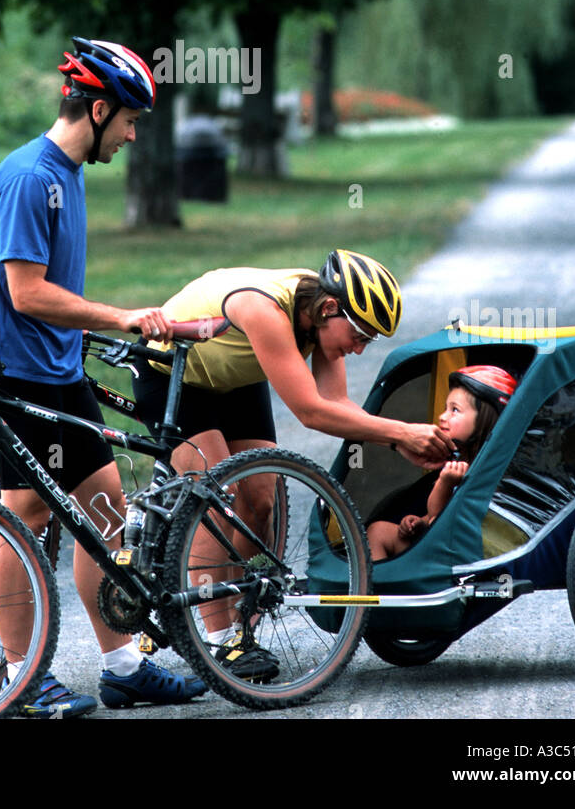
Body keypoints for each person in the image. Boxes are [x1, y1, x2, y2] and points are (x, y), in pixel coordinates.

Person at [0, 36, 202, 718]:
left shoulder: (64, 176)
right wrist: (123, 318)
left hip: (58, 373)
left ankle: (124, 666)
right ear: (98, 109)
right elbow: (27, 293)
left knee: (103, 516)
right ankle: (21, 680)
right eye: (130, 120)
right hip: (22, 380)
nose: (132, 135)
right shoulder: (29, 178)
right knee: (25, 517)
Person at [131, 250, 453, 676]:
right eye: (360, 335)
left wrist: (398, 443)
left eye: (369, 341)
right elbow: (310, 412)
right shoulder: (267, 310)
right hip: (173, 369)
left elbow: (335, 405)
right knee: (216, 495)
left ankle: (237, 624)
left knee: (261, 497)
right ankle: (219, 639)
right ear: (330, 308)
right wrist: (401, 432)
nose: (358, 349)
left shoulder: (321, 310)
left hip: (232, 375)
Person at [366, 365, 517, 561]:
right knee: (377, 532)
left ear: (484, 421)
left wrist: (445, 484)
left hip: (466, 556)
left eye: (455, 410)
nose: (442, 416)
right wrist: (420, 522)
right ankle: (375, 587)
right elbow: (434, 514)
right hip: (438, 546)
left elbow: (447, 520)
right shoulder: (456, 461)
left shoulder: (494, 472)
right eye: (446, 408)